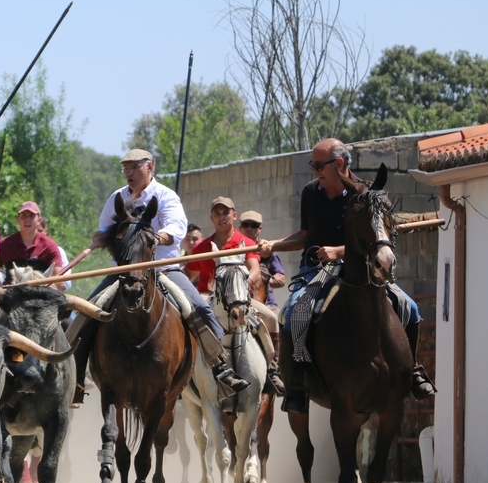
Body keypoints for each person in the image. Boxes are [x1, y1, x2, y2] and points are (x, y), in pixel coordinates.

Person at [257, 138, 435, 413]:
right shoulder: (310, 192)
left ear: (339, 164)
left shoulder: (367, 196)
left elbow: (380, 237)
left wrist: (338, 251)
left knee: (409, 307)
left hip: (359, 271)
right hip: (315, 270)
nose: (314, 170)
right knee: (293, 310)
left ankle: (411, 371)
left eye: (318, 165)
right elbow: (305, 236)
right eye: (312, 165)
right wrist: (275, 244)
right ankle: (297, 380)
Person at [71, 148, 250, 405]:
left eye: (135, 167)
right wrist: (100, 237)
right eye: (126, 168)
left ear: (149, 167)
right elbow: (104, 228)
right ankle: (75, 378)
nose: (129, 173)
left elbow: (176, 228)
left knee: (198, 306)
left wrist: (155, 238)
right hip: (122, 272)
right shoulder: (117, 198)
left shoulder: (166, 196)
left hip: (163, 268)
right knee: (86, 313)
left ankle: (221, 368)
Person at [185, 197, 284, 395]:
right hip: (208, 296)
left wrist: (237, 286)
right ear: (211, 217)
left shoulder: (245, 243)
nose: (222, 218)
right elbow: (188, 275)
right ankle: (184, 371)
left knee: (272, 318)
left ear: (234, 215)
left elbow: (255, 270)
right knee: (186, 317)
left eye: (226, 213)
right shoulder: (201, 248)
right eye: (217, 214)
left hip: (239, 296)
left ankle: (272, 370)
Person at [0, 201, 65, 288]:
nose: (27, 220)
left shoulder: (50, 246)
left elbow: (59, 282)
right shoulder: (5, 244)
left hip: (40, 295)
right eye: (23, 216)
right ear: (17, 219)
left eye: (32, 216)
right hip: (9, 294)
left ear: (39, 220)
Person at [238, 211, 286, 307]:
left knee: (276, 319)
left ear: (260, 229)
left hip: (266, 303)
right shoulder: (234, 251)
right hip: (238, 302)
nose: (249, 228)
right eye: (245, 225)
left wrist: (263, 280)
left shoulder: (268, 251)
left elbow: (281, 280)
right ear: (240, 228)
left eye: (254, 225)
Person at [37, 215, 71, 289]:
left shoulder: (58, 251)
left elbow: (65, 284)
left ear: (45, 231)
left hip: (50, 293)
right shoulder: (21, 251)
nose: (36, 235)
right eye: (33, 231)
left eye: (39, 231)